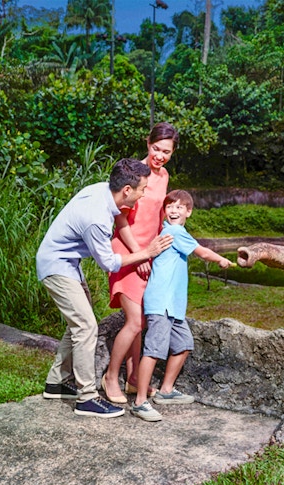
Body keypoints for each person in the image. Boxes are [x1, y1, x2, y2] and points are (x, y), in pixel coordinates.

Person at [36, 159, 173, 418]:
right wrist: (146, 253)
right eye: (142, 189)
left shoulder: (102, 189)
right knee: (86, 326)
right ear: (127, 191)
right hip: (56, 266)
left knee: (77, 322)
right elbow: (109, 263)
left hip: (66, 263)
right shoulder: (96, 218)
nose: (144, 194)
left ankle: (55, 382)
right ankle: (86, 397)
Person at [130, 190, 234, 422]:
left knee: (184, 344)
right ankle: (139, 402)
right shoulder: (175, 232)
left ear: (189, 211)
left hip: (173, 306)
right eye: (170, 207)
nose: (174, 210)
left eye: (179, 207)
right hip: (161, 302)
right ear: (164, 211)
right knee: (154, 350)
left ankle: (166, 390)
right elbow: (202, 252)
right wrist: (221, 259)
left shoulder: (177, 232)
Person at [103, 122, 180, 404]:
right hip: (128, 250)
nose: (160, 156)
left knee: (143, 321)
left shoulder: (165, 176)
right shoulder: (133, 171)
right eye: (156, 148)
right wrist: (141, 253)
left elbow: (159, 217)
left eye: (166, 152)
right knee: (135, 321)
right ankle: (112, 377)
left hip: (150, 253)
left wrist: (160, 251)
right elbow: (120, 217)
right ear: (148, 142)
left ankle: (135, 379)